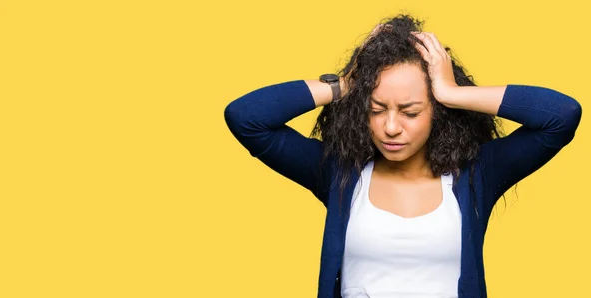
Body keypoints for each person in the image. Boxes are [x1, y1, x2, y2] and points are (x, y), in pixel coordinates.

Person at [223, 14, 582, 298]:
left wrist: (453, 93)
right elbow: (247, 118)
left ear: (437, 112)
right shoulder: (339, 174)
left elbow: (561, 116)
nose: (390, 127)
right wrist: (348, 83)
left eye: (410, 112)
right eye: (377, 109)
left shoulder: (477, 175)